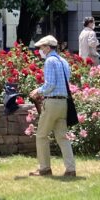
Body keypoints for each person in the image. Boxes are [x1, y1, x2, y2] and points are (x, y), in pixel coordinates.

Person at [28, 35, 76, 177]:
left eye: (42, 48)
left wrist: (37, 91)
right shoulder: (63, 61)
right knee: (62, 136)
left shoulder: (50, 61)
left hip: (52, 102)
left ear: (48, 47)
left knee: (42, 135)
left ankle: (44, 168)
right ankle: (70, 169)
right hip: (64, 103)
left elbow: (50, 84)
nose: (40, 51)